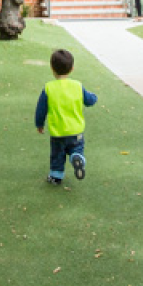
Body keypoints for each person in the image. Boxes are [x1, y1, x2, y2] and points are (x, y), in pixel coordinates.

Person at [35, 48, 99, 185]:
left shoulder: (48, 88)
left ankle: (56, 176)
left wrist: (39, 124)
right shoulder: (77, 86)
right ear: (72, 69)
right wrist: (94, 97)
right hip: (76, 131)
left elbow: (41, 109)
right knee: (77, 147)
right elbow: (89, 100)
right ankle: (77, 156)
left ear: (52, 68)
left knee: (57, 155)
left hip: (58, 132)